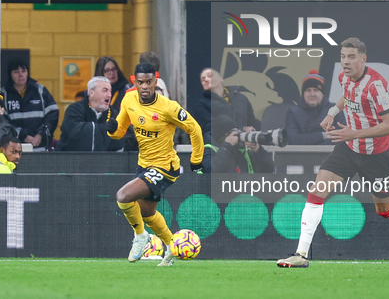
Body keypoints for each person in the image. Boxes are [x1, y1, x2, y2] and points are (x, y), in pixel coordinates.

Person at [277, 37, 389, 268]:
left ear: (363, 59)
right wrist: (331, 111)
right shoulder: (343, 77)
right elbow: (348, 97)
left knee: (385, 211)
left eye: (351, 57)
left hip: (377, 155)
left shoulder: (376, 85)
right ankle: (301, 255)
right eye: (342, 57)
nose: (345, 62)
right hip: (349, 149)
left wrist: (354, 134)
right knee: (317, 191)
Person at [112, 63, 204, 266]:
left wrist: (196, 159)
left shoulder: (168, 107)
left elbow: (194, 128)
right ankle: (171, 245)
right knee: (147, 213)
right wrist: (112, 129)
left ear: (155, 82)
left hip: (165, 166)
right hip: (144, 164)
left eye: (148, 82)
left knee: (123, 196)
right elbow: (119, 130)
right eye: (140, 82)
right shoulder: (128, 99)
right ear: (134, 82)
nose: (144, 86)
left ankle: (140, 236)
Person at [0, 59, 59, 149]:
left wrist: (41, 134)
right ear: (10, 74)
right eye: (16, 72)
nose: (21, 75)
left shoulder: (40, 90)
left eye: (24, 71)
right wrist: (22, 136)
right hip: (13, 148)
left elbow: (52, 114)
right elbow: (2, 121)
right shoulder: (3, 94)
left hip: (40, 147)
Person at [55, 76, 124, 151]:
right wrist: (106, 129)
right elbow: (76, 133)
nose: (109, 95)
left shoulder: (113, 113)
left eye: (110, 91)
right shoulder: (74, 109)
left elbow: (118, 142)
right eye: (105, 90)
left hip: (102, 161)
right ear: (91, 93)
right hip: (71, 160)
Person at [285, 69, 346, 145]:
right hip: (301, 155)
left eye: (316, 90)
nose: (312, 94)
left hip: (330, 154)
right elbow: (292, 139)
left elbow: (342, 137)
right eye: (308, 90)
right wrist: (323, 135)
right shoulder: (293, 112)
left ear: (322, 94)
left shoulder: (335, 109)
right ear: (303, 94)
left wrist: (312, 144)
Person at [194, 68, 261, 135]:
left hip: (245, 142)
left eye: (210, 76)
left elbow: (251, 121)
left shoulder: (241, 98)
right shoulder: (201, 104)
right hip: (221, 144)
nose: (206, 79)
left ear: (221, 79)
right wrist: (239, 131)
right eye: (203, 79)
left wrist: (251, 130)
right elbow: (209, 128)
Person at [205, 114, 275, 173]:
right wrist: (227, 147)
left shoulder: (243, 153)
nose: (237, 137)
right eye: (233, 134)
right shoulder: (208, 150)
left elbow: (269, 170)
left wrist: (258, 151)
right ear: (223, 136)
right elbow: (210, 172)